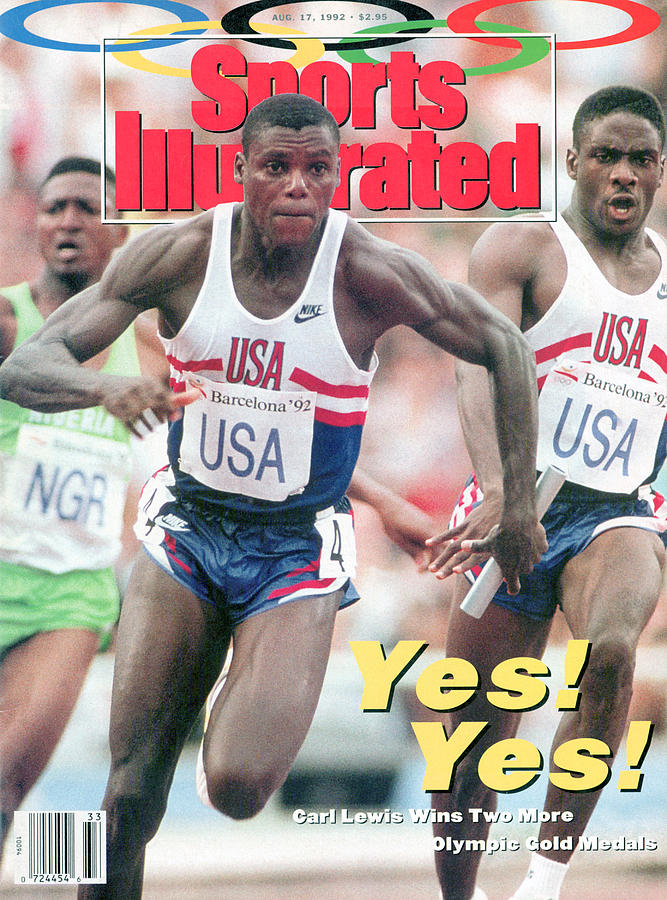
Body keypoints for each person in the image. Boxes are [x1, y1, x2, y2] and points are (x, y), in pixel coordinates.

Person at [0, 94, 545, 899]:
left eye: (317, 169)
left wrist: (513, 497)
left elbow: (502, 345)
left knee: (236, 787)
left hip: (288, 548)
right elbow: (24, 369)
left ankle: (233, 682)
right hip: (180, 530)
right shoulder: (179, 255)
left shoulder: (366, 271)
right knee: (124, 791)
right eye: (277, 167)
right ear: (240, 170)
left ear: (337, 176)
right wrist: (105, 389)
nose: (297, 185)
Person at [427, 85, 667, 900]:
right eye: (605, 156)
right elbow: (473, 367)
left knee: (610, 651)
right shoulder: (522, 248)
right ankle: (459, 893)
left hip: (617, 511)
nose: (622, 173)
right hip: (516, 502)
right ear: (572, 161)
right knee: (473, 744)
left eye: (639, 159)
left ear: (658, 171)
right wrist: (501, 491)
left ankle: (542, 880)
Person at [0, 157, 135, 861]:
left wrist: (380, 499)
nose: (69, 221)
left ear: (122, 232)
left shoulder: (147, 343)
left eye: (87, 207)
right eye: (55, 208)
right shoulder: (6, 320)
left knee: (4, 784)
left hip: (70, 595)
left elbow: (265, 423)